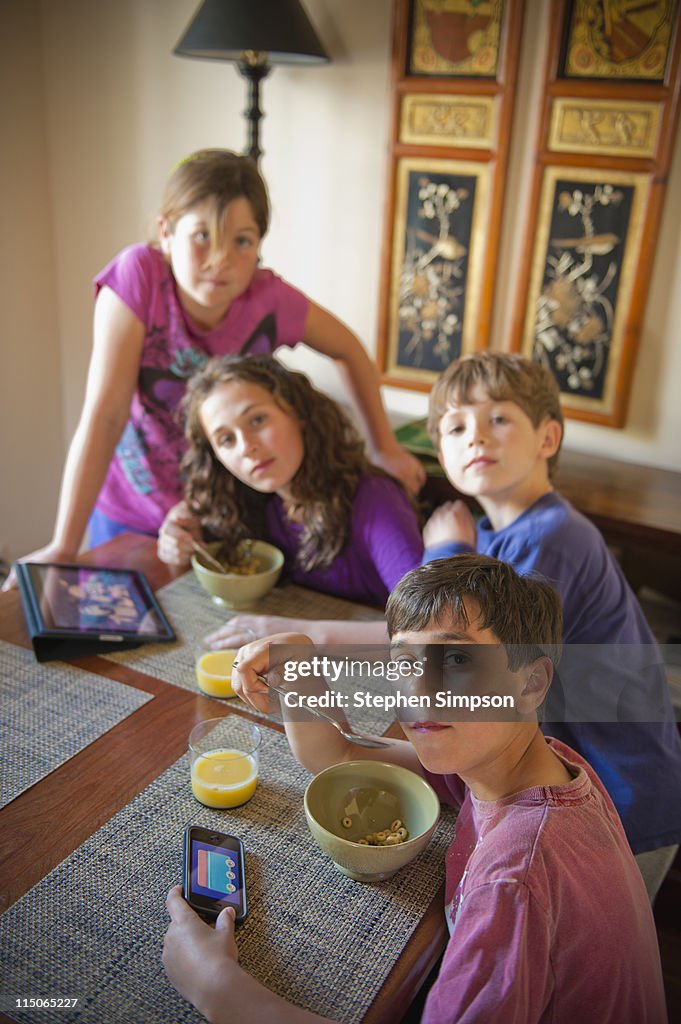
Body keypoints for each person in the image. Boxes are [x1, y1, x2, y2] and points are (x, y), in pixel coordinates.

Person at [162, 555, 667, 1023]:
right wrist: (298, 665)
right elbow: (340, 757)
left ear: (532, 683)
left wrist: (214, 984)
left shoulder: (513, 880)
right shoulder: (523, 758)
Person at [4, 148, 423, 586]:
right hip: (128, 511)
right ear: (166, 233)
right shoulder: (139, 276)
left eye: (241, 241)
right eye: (202, 236)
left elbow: (350, 350)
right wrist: (64, 546)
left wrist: (385, 447)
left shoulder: (270, 300)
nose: (220, 259)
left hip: (217, 515)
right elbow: (105, 416)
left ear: (259, 244)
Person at [421, 351, 681, 900]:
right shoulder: (497, 537)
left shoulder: (552, 536)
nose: (476, 438)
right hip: (581, 776)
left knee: (590, 954)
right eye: (456, 426)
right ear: (439, 451)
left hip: (619, 793)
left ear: (547, 438)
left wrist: (443, 549)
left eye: (499, 419)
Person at [157, 354, 423, 637]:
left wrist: (304, 634)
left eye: (257, 420)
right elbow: (192, 596)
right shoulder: (247, 502)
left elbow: (432, 633)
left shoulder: (375, 500)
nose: (246, 447)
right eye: (226, 439)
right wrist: (177, 546)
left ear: (297, 413)